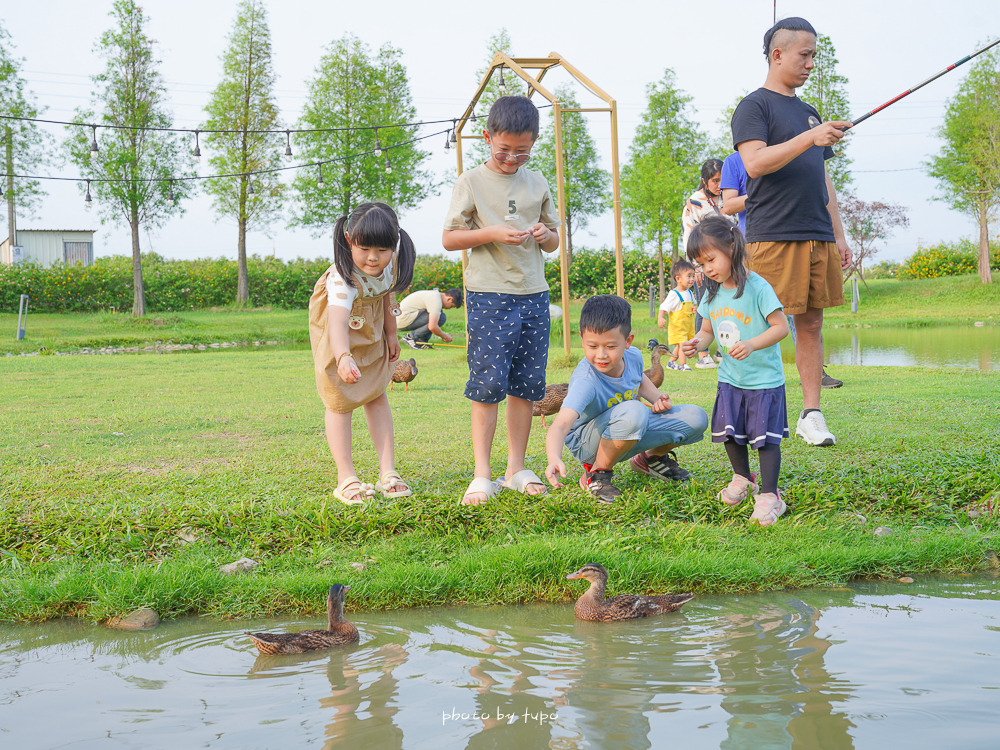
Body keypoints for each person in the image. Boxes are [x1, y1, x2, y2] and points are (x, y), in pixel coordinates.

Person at [731, 16, 853, 446]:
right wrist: (810, 137)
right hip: (773, 235)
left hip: (816, 233)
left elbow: (823, 181)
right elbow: (755, 163)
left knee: (812, 324)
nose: (810, 64)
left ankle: (811, 414)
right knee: (762, 326)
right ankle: (751, 412)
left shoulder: (809, 113)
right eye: (804, 55)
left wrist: (839, 235)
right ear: (777, 54)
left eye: (814, 56)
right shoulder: (754, 106)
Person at [442, 95, 561, 505]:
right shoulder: (471, 181)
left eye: (522, 150)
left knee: (527, 384)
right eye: (504, 148)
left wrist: (547, 237)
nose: (512, 157)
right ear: (487, 136)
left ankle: (516, 467)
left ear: (535, 141)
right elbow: (450, 238)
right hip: (490, 295)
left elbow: (553, 239)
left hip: (534, 294)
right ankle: (481, 473)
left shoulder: (538, 182)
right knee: (488, 382)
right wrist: (491, 232)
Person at [544, 295, 708, 503]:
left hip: (628, 425)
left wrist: (658, 398)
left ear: (628, 341)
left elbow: (638, 379)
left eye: (610, 347)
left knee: (696, 417)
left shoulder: (634, 356)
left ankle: (650, 460)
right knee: (634, 411)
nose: (601, 355)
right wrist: (554, 458)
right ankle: (596, 474)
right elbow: (560, 425)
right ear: (582, 339)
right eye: (592, 346)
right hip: (586, 443)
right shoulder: (586, 380)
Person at [681, 216, 790, 525]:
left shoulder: (757, 286)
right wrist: (695, 344)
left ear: (732, 247)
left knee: (766, 439)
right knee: (731, 433)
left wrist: (753, 344)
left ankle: (770, 496)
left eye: (711, 259)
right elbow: (706, 332)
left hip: (763, 380)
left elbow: (781, 327)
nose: (707, 268)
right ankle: (742, 478)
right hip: (731, 377)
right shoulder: (711, 293)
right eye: (701, 264)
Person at [307, 202, 416, 505]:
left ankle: (388, 472)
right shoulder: (343, 279)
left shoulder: (390, 264)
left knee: (377, 394)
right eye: (365, 248)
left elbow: (387, 295)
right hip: (340, 335)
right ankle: (346, 478)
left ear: (394, 244)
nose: (373, 258)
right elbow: (338, 324)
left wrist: (392, 334)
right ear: (348, 240)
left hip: (373, 333)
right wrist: (342, 357)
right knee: (340, 402)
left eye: (382, 250)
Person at [723, 151, 844, 389]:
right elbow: (728, 205)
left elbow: (825, 191)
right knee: (757, 316)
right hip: (758, 248)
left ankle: (815, 373)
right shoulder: (735, 161)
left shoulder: (797, 153)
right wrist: (766, 195)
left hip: (802, 241)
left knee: (806, 317)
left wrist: (839, 237)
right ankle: (749, 377)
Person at [682, 158, 729, 370]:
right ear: (704, 181)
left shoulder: (728, 197)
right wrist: (696, 266)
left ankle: (723, 349)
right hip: (703, 263)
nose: (719, 185)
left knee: (726, 303)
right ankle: (702, 353)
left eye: (722, 180)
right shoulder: (696, 200)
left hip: (726, 262)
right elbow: (689, 234)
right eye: (715, 181)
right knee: (705, 305)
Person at [657, 259, 697, 371]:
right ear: (678, 279)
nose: (692, 279)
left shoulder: (689, 292)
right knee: (683, 345)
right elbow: (663, 307)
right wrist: (661, 317)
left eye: (693, 276)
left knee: (680, 346)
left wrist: (694, 309)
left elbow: (693, 306)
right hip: (678, 326)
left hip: (688, 326)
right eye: (688, 276)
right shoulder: (674, 294)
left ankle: (671, 362)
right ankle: (682, 364)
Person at [398, 287, 462, 348]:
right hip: (402, 320)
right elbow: (432, 327)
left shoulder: (435, 295)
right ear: (449, 299)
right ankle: (411, 338)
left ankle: (422, 342)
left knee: (437, 316)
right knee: (441, 317)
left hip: (403, 318)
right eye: (451, 306)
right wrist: (445, 337)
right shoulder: (436, 300)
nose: (449, 308)